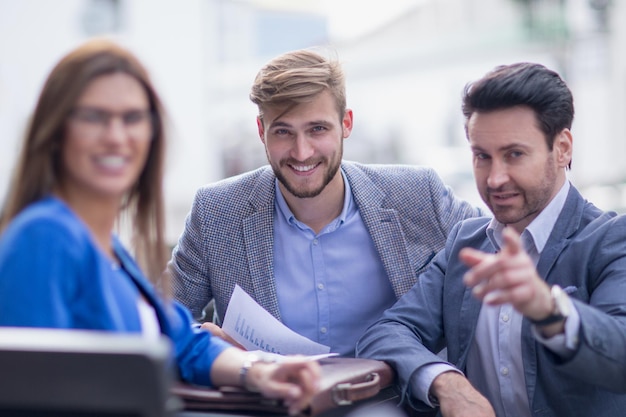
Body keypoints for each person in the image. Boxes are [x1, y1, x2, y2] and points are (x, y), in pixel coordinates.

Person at [0, 38, 319, 416]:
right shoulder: (45, 238)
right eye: (94, 117)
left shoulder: (109, 248)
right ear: (56, 131)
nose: (117, 137)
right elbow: (31, 398)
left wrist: (259, 370)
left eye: (132, 118)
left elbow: (183, 342)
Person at [168, 48, 482, 357]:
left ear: (346, 123)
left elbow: (506, 243)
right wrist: (210, 349)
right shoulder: (216, 211)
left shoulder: (417, 194)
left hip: (394, 400)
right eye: (283, 132)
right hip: (269, 402)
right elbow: (159, 320)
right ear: (262, 130)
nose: (302, 152)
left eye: (317, 129)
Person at [356, 62, 626, 417]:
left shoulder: (610, 240)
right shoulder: (465, 244)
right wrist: (446, 382)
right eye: (482, 156)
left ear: (562, 148)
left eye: (514, 154)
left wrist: (547, 308)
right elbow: (388, 332)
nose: (495, 178)